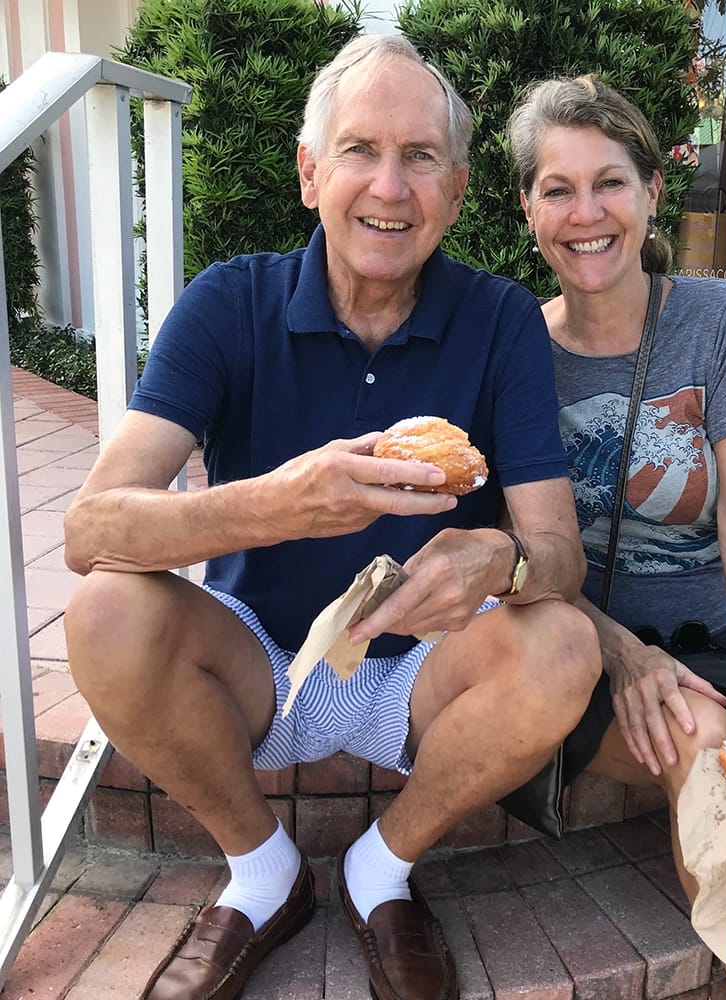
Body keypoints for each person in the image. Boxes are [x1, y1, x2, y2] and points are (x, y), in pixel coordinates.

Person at [62, 36, 602, 1000]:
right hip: (259, 652)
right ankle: (264, 874)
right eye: (360, 151)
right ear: (312, 174)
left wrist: (503, 561)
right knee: (105, 612)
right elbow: (91, 531)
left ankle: (379, 871)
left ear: (459, 186)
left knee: (562, 646)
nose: (389, 187)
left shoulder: (500, 319)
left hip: (425, 667)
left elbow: (559, 550)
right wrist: (277, 504)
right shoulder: (229, 301)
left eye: (421, 157)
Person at [507, 75, 726, 1000]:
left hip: (722, 642)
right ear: (529, 210)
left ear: (653, 192)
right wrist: (622, 655)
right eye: (558, 188)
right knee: (710, 754)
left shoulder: (721, 321)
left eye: (611, 182)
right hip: (586, 655)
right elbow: (523, 558)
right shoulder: (513, 349)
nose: (587, 212)